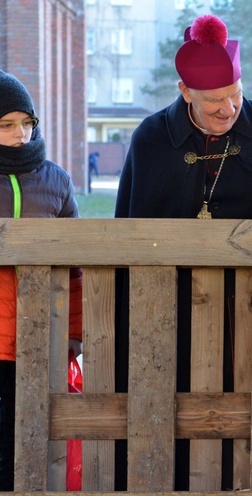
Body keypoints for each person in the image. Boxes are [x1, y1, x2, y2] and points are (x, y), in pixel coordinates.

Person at [114, 15, 252, 492]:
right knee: (171, 401)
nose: (229, 108)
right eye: (214, 101)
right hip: (172, 308)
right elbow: (129, 224)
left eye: (235, 94)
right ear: (185, 91)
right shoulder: (152, 138)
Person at [0, 70, 82, 490]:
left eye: (27, 123)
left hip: (39, 337)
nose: (21, 134)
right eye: (7, 125)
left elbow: (76, 265)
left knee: (30, 437)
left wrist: (74, 331)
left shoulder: (55, 179)